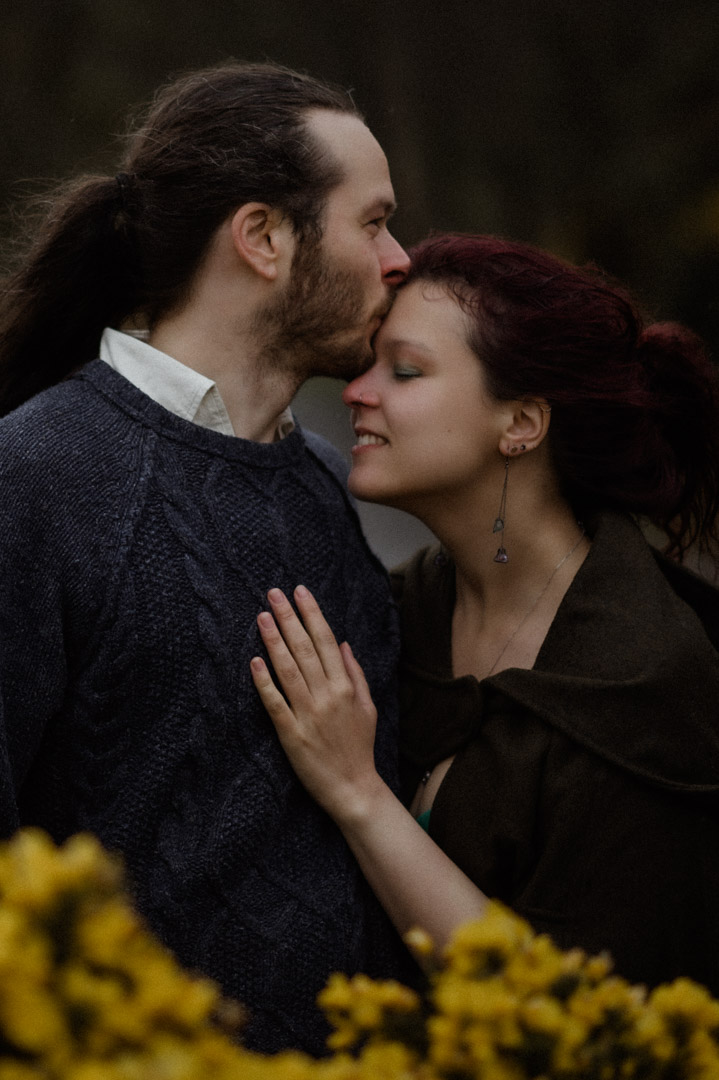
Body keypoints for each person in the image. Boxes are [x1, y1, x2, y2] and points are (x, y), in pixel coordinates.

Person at [0, 63, 412, 1053]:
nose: (400, 260)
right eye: (372, 223)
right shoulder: (33, 474)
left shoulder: (329, 484)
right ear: (263, 238)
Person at [252, 234, 719, 996]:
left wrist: (357, 792)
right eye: (370, 363)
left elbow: (575, 1017)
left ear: (521, 424)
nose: (355, 391)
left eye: (404, 370)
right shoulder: (401, 608)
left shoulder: (644, 683)